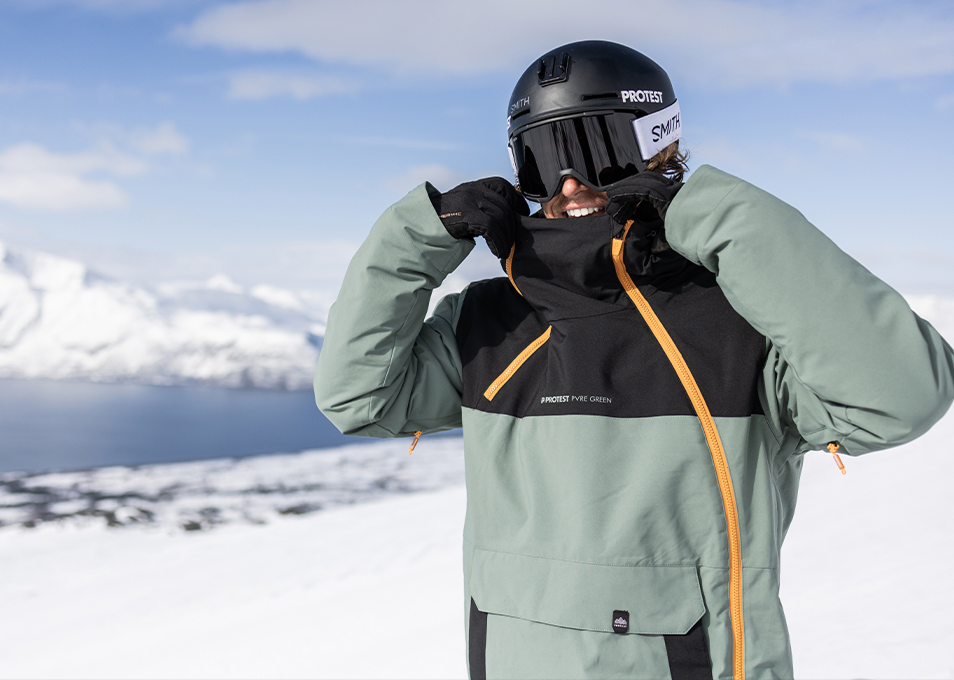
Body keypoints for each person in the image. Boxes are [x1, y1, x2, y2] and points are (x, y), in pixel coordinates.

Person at [313, 40, 954, 679]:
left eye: (597, 150)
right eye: (542, 159)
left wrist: (717, 214)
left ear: (661, 148)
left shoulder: (740, 321)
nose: (569, 183)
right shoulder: (489, 318)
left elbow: (901, 397)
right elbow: (359, 398)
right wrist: (416, 237)